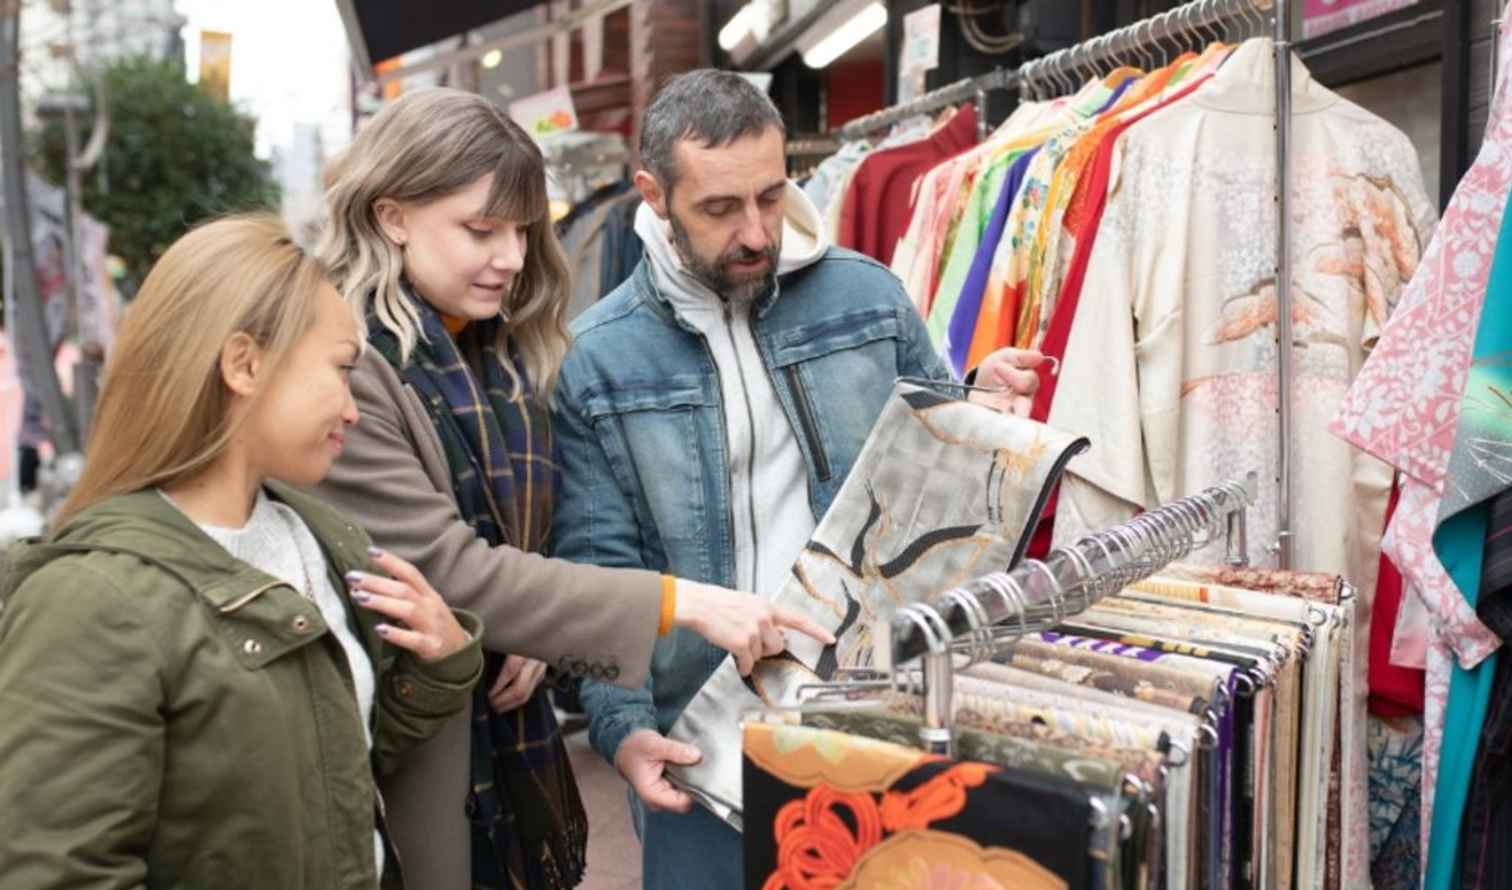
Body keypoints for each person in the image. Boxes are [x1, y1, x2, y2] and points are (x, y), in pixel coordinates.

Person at [312, 86, 832, 890]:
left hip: (502, 746)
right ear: (391, 216)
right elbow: (444, 568)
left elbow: (529, 548)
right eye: (480, 231)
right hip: (404, 744)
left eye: (523, 230)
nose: (513, 258)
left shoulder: (497, 352)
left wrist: (522, 630)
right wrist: (678, 602)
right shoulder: (350, 369)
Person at [551, 69, 1046, 888]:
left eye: (771, 197)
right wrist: (621, 729)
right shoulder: (597, 360)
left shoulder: (867, 298)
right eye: (718, 208)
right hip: (699, 742)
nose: (755, 232)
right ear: (654, 194)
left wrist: (977, 406)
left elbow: (927, 480)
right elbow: (602, 569)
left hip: (871, 718)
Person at [0, 214, 484, 888]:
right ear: (244, 363)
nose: (352, 408)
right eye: (342, 370)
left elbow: (314, 778)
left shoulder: (317, 537)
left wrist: (436, 665)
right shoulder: (90, 598)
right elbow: (59, 868)